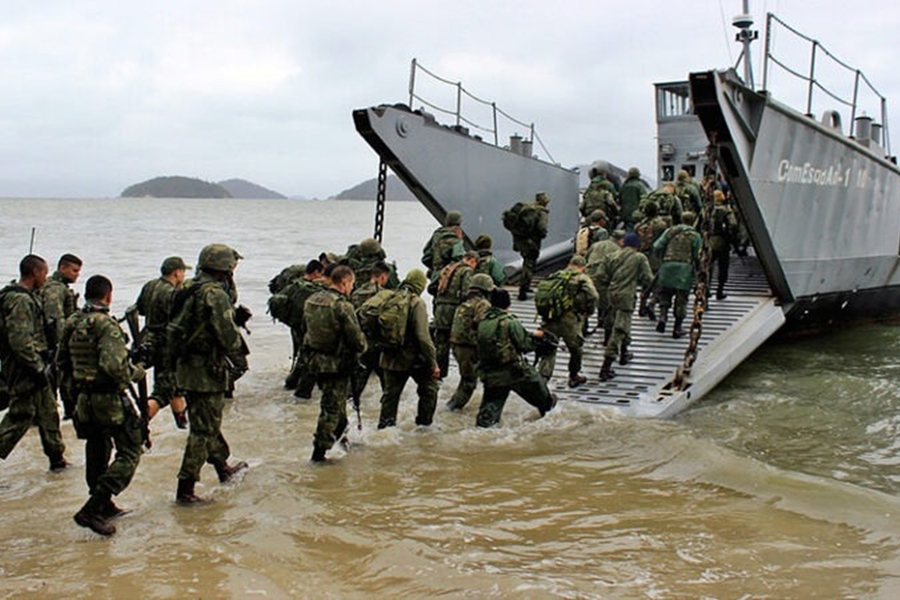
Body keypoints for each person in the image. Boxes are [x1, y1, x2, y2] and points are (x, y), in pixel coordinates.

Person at [57, 275, 146, 536]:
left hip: (84, 399)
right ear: (108, 295)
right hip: (109, 399)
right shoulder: (106, 325)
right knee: (130, 451)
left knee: (97, 448)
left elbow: (61, 362)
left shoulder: (72, 322)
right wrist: (137, 372)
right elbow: (114, 366)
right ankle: (92, 508)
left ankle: (103, 505)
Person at [167, 244, 249, 504]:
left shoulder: (188, 287)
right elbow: (229, 339)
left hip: (185, 367)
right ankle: (186, 489)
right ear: (224, 268)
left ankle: (223, 467)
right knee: (203, 430)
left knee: (206, 422)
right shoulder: (214, 294)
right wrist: (235, 323)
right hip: (205, 371)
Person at [0, 255, 68, 471]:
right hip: (24, 367)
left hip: (35, 364)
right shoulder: (20, 301)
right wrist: (38, 369)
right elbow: (20, 342)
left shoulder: (24, 296)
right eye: (44, 274)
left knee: (48, 411)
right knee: (21, 414)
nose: (45, 279)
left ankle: (57, 460)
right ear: (35, 272)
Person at [304, 265, 367, 462]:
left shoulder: (312, 300)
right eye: (352, 284)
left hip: (315, 362)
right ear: (344, 282)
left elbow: (306, 330)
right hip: (337, 365)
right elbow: (357, 341)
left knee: (336, 404)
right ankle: (318, 455)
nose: (352, 288)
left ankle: (341, 440)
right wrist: (363, 348)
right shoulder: (342, 306)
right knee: (331, 409)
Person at [475, 288, 556, 427]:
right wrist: (538, 341)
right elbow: (524, 345)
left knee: (486, 420)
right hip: (515, 372)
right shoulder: (510, 322)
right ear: (508, 304)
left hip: (491, 373)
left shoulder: (482, 321)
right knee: (545, 400)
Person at [377, 269, 440, 429]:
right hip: (414, 358)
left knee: (390, 396)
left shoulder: (389, 297)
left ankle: (385, 429)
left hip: (390, 356)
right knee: (429, 390)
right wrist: (433, 363)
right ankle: (423, 428)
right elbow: (423, 337)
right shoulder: (416, 302)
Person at [135, 256, 191, 426]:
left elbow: (140, 309)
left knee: (174, 388)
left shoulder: (150, 285)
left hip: (148, 339)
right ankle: (137, 426)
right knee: (163, 392)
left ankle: (182, 424)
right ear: (177, 273)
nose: (184, 276)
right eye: (183, 272)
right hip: (165, 345)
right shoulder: (171, 293)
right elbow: (179, 319)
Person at [598, 233, 654, 381]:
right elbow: (648, 278)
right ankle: (606, 367)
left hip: (611, 294)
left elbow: (601, 275)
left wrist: (612, 283)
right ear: (637, 246)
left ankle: (624, 354)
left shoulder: (610, 256)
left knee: (615, 324)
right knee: (620, 329)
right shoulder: (639, 258)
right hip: (626, 296)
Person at [537, 255, 598, 388]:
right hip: (569, 320)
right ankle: (574, 376)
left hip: (550, 318)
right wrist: (589, 311)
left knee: (549, 349)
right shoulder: (581, 278)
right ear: (583, 267)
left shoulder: (555, 276)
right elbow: (593, 295)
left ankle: (542, 381)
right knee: (576, 349)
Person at [40, 253, 83, 420]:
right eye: (74, 271)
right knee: (64, 381)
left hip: (47, 345)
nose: (77, 275)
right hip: (52, 345)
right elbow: (55, 320)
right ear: (63, 268)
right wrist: (63, 346)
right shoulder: (55, 289)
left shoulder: (54, 285)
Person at [445, 273, 494, 411]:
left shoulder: (464, 301)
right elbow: (482, 323)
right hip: (468, 348)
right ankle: (451, 410)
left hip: (456, 345)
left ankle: (451, 406)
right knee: (469, 382)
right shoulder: (483, 303)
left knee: (466, 378)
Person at [280, 260, 326, 397]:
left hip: (294, 325)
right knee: (307, 357)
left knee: (302, 354)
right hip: (305, 328)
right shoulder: (310, 290)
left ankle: (292, 384)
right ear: (316, 272)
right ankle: (296, 387)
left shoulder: (294, 285)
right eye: (321, 274)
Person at [653, 212, 702, 338]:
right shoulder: (695, 236)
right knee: (681, 300)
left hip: (667, 267)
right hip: (683, 271)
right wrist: (698, 269)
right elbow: (697, 255)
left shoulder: (670, 231)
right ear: (693, 221)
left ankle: (663, 317)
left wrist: (662, 259)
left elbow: (657, 246)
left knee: (664, 295)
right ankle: (677, 328)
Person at [430, 251, 478, 378]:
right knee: (457, 341)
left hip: (439, 309)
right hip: (452, 311)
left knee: (440, 343)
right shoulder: (466, 271)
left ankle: (438, 372)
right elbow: (466, 293)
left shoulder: (448, 268)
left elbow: (432, 287)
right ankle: (466, 373)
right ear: (472, 260)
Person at [349, 261, 391, 401]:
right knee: (388, 386)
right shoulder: (384, 295)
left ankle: (351, 407)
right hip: (379, 345)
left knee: (355, 386)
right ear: (383, 277)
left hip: (361, 343)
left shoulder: (356, 293)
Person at [586, 229, 625, 342]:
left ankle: (583, 329)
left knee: (586, 304)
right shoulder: (618, 250)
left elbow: (586, 258)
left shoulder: (596, 245)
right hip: (603, 279)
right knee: (607, 304)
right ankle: (606, 330)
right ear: (620, 240)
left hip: (588, 277)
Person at [511, 192, 550, 301]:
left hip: (521, 240)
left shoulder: (529, 209)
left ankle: (526, 287)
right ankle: (522, 292)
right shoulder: (541, 212)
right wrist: (542, 234)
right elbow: (542, 227)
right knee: (529, 265)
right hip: (532, 242)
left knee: (527, 262)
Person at [710, 190, 738, 300]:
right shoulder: (726, 210)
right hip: (722, 242)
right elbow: (733, 224)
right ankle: (719, 291)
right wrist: (731, 236)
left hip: (710, 241)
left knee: (708, 266)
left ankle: (705, 289)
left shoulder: (709, 209)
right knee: (723, 267)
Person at [421, 210, 465, 277]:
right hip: (448, 276)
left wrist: (435, 268)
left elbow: (427, 255)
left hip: (435, 275)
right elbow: (458, 256)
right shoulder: (456, 235)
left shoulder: (437, 234)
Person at [619, 167, 647, 232]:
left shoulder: (624, 186)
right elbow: (645, 199)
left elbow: (619, 199)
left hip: (625, 215)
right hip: (637, 215)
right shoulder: (640, 185)